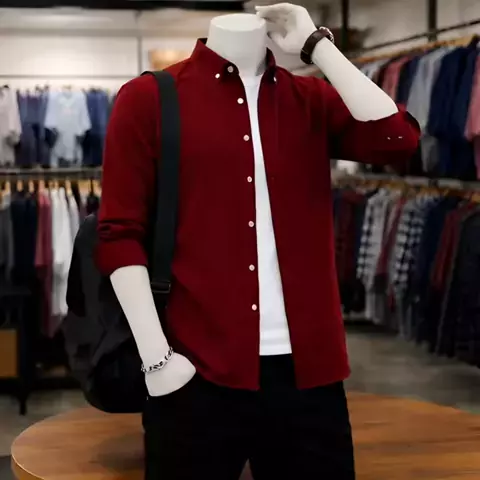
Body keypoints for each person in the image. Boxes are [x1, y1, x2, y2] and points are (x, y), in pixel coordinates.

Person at [96, 4, 420, 479]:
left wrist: (317, 47)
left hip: (309, 377)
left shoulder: (310, 99)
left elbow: (398, 141)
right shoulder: (149, 98)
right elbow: (119, 233)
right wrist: (157, 359)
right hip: (195, 368)